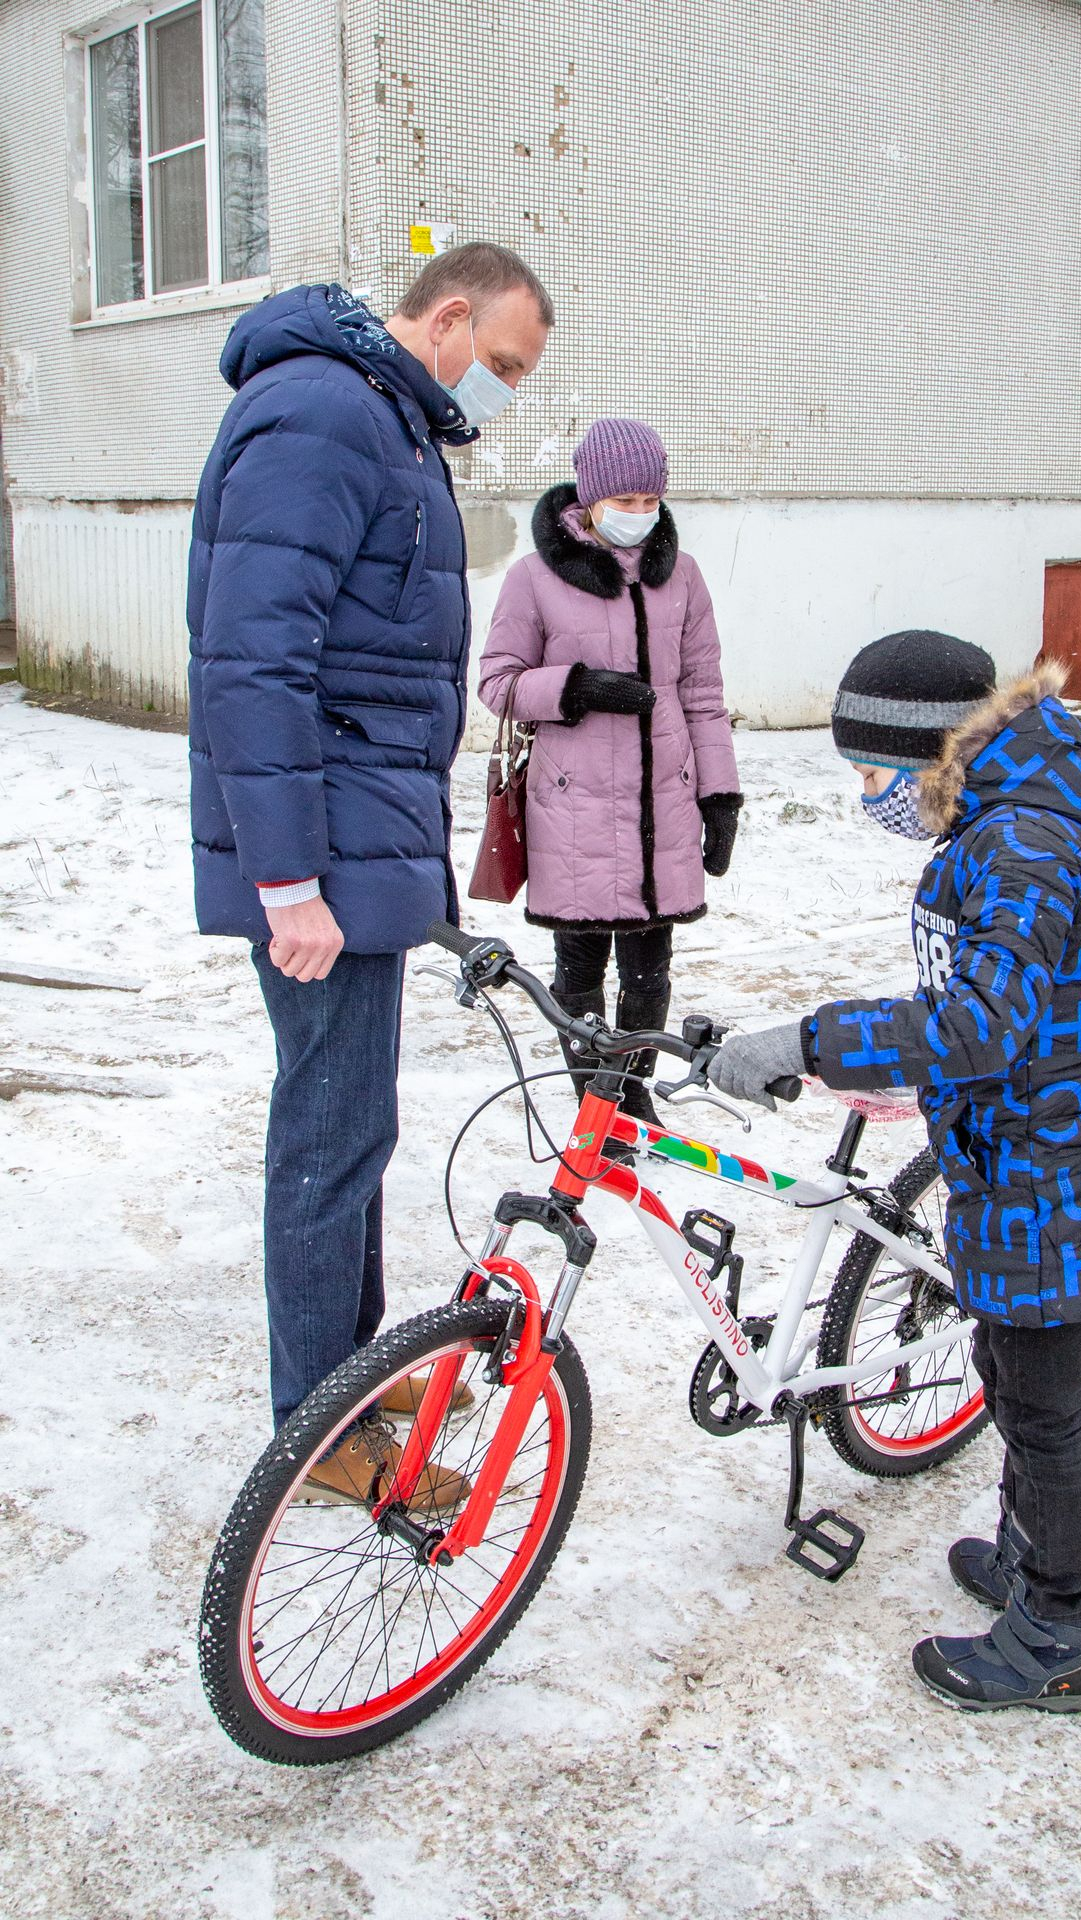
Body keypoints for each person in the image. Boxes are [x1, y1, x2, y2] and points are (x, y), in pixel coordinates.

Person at [709, 630, 1081, 1712]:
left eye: (871, 772)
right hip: (1026, 1154)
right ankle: (1026, 1559)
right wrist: (907, 1070)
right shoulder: (997, 826)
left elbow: (976, 1023)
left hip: (1057, 1179)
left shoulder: (1023, 849)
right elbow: (1005, 1009)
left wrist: (811, 1045)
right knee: (1009, 1381)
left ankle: (1053, 1630)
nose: (866, 794)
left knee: (1045, 1413)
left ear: (930, 755)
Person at [187, 244, 552, 1502]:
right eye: (500, 363)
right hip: (323, 863)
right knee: (327, 1135)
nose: (500, 391)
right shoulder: (326, 414)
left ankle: (349, 1369)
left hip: (357, 843)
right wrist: (286, 878)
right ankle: (321, 1431)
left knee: (355, 1125)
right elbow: (252, 656)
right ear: (447, 314)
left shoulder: (385, 423)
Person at [477, 419, 741, 1122]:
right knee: (581, 974)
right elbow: (498, 684)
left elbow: (704, 695)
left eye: (649, 497)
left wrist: (721, 795)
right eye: (623, 498)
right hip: (575, 811)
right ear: (589, 499)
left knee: (650, 973)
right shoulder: (533, 578)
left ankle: (633, 1101)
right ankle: (596, 1109)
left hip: (664, 806)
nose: (639, 511)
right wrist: (574, 688)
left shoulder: (681, 576)